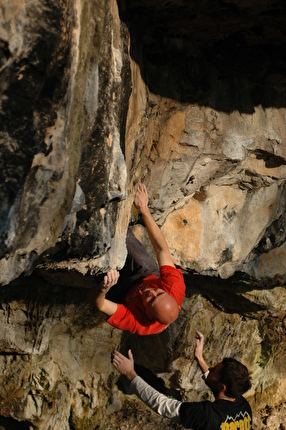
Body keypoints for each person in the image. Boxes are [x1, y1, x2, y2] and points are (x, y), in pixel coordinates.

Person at [90, 183, 186, 335]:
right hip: (145, 273)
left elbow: (100, 305)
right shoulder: (174, 286)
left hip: (120, 293)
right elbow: (161, 249)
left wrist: (104, 289)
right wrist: (144, 209)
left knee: (97, 257)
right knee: (121, 236)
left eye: (151, 301)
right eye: (159, 293)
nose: (150, 293)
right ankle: (109, 207)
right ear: (167, 293)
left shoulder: (140, 323)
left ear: (148, 314)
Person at [111, 331, 253, 429]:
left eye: (214, 370)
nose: (210, 368)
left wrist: (130, 374)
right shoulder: (244, 408)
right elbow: (216, 383)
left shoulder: (207, 415)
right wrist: (199, 357)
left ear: (223, 387)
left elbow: (163, 405)